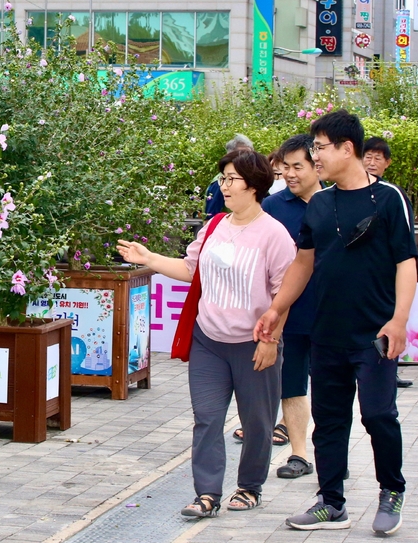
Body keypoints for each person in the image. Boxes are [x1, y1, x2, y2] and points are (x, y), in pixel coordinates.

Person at [254, 109, 416, 536]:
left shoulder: (389, 199)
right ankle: (331, 501)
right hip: (326, 332)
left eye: (320, 148)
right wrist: (276, 308)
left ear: (348, 149)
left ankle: (392, 490)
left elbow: (405, 263)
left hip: (374, 334)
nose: (315, 155)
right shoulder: (320, 204)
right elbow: (303, 264)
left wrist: (398, 321)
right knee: (329, 419)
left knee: (379, 414)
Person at [119, 149, 295, 519]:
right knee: (208, 418)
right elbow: (189, 269)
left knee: (258, 423)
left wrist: (271, 340)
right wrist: (148, 257)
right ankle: (207, 493)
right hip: (209, 342)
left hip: (253, 345)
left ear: (254, 186)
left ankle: (249, 486)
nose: (224, 186)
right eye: (223, 178)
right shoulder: (214, 225)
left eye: (232, 179)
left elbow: (284, 293)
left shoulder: (274, 234)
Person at [260, 134, 321, 479]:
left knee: (330, 388)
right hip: (289, 315)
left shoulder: (335, 203)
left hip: (331, 314)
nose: (290, 174)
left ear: (317, 165)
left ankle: (331, 454)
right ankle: (299, 454)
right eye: (285, 168)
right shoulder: (273, 207)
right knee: (292, 384)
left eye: (297, 166)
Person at [362, 137, 412, 388]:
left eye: (377, 158)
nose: (371, 162)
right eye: (367, 156)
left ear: (387, 163)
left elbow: (405, 251)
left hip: (385, 285)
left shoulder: (393, 196)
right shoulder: (339, 194)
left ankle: (389, 370)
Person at [204, 134, 254, 219]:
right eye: (243, 155)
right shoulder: (219, 183)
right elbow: (210, 220)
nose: (247, 159)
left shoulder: (251, 179)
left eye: (250, 155)